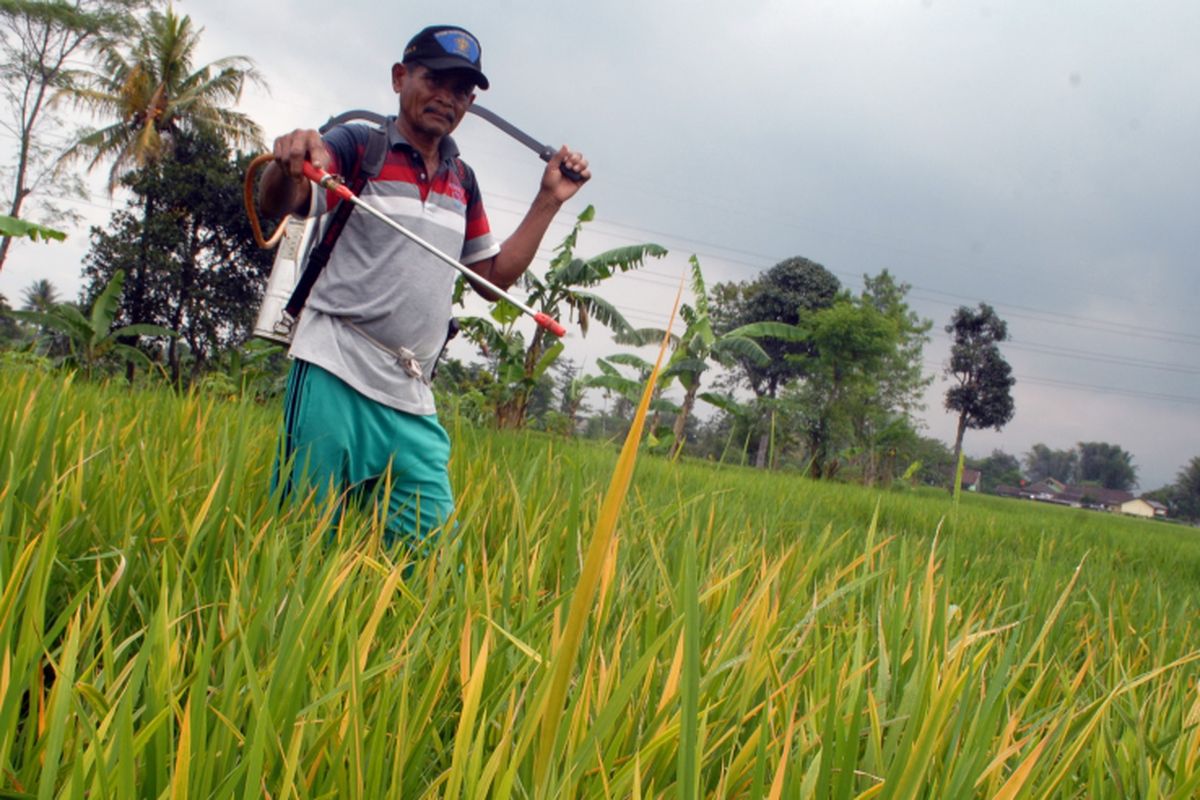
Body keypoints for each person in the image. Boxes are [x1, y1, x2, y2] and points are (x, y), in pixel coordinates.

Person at [259, 24, 589, 550]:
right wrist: (291, 162)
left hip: (411, 392)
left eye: (460, 89)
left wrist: (550, 199)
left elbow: (492, 280)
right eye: (434, 79)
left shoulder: (463, 179)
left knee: (431, 562)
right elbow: (285, 200)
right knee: (300, 541)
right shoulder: (356, 146)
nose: (446, 97)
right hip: (334, 367)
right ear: (400, 78)